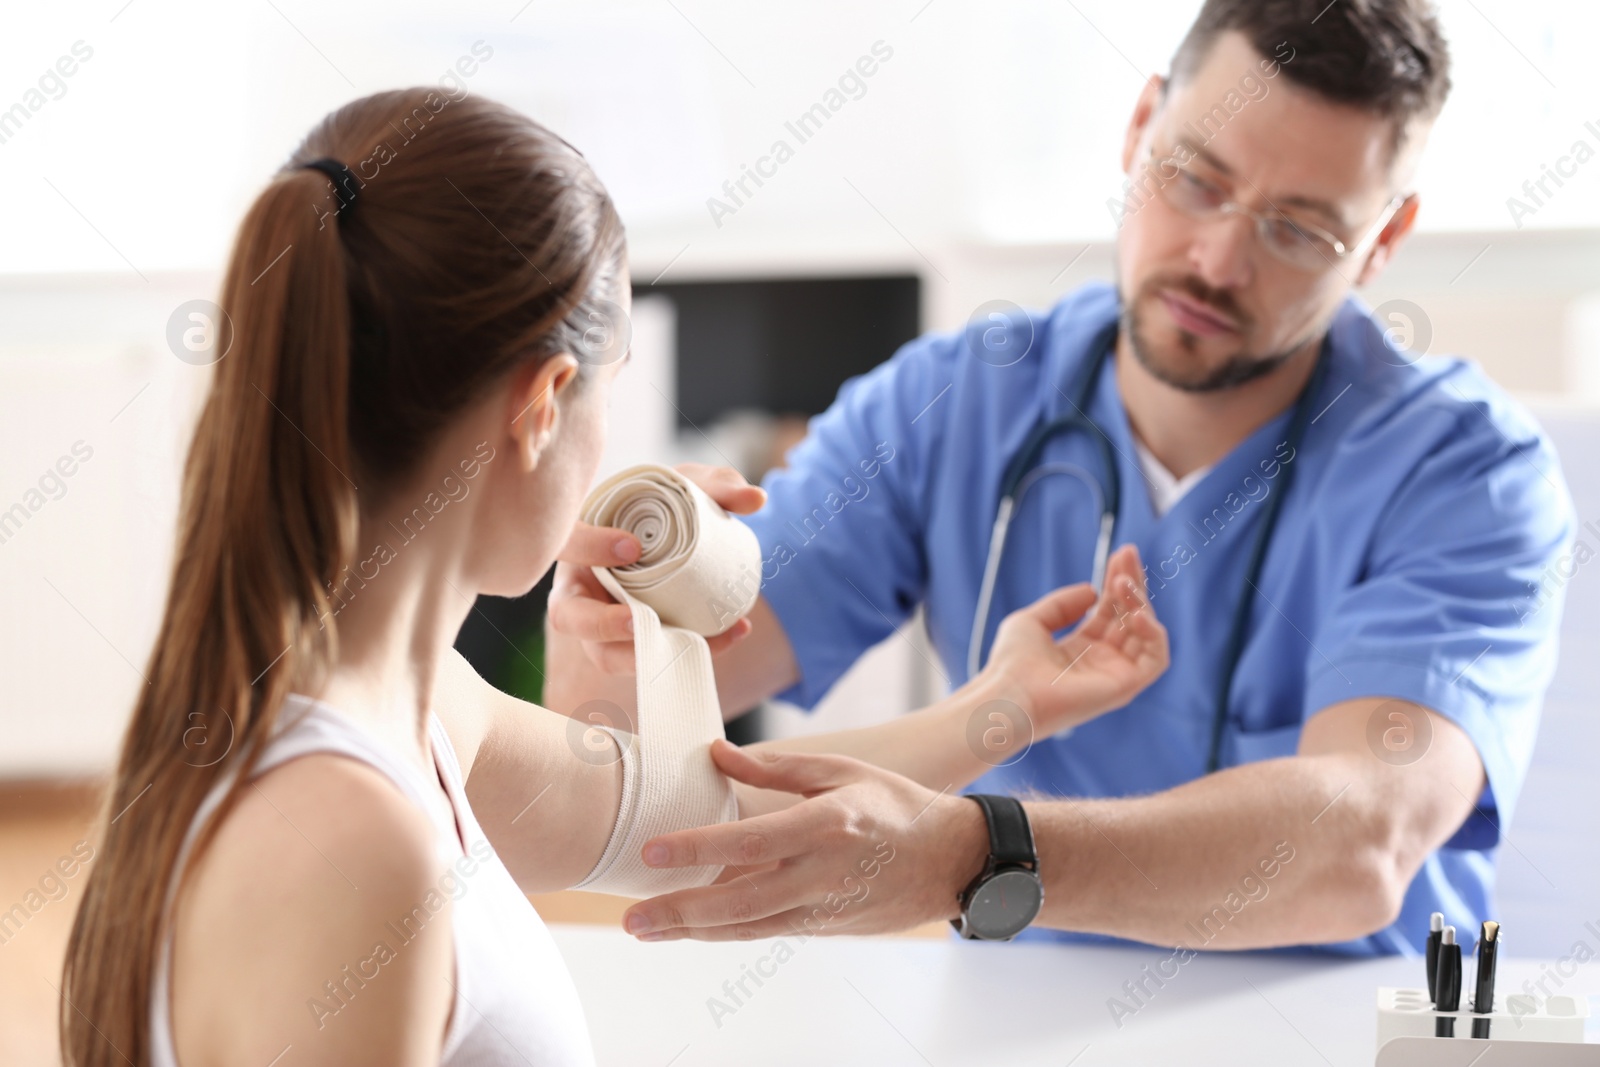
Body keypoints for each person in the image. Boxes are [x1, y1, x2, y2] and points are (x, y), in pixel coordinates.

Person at [57, 88, 1167, 1067]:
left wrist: (1001, 707)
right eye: (608, 388)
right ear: (544, 404)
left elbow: (712, 812)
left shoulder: (421, 710)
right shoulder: (347, 836)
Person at [546, 0, 1574, 956]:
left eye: (1298, 229)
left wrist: (974, 852)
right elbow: (627, 743)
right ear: (1139, 128)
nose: (1218, 259)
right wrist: (602, 619)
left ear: (1382, 239)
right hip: (1019, 1015)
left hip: (1341, 1026)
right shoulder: (956, 402)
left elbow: (1360, 846)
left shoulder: (1465, 473)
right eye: (1196, 179)